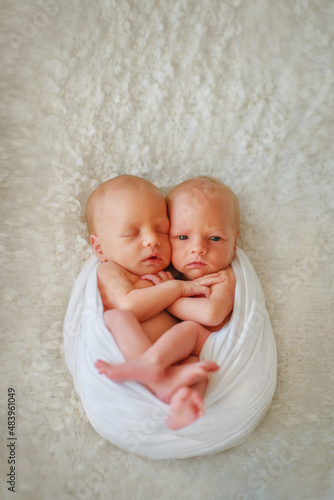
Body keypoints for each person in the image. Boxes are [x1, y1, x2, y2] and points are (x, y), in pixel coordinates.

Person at [95, 175, 240, 429]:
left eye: (162, 231)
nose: (153, 240)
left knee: (197, 366)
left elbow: (211, 315)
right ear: (99, 248)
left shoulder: (182, 272)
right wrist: (177, 289)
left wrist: (173, 289)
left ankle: (183, 400)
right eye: (131, 233)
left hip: (181, 353)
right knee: (116, 317)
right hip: (139, 350)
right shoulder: (110, 270)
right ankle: (157, 375)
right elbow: (128, 306)